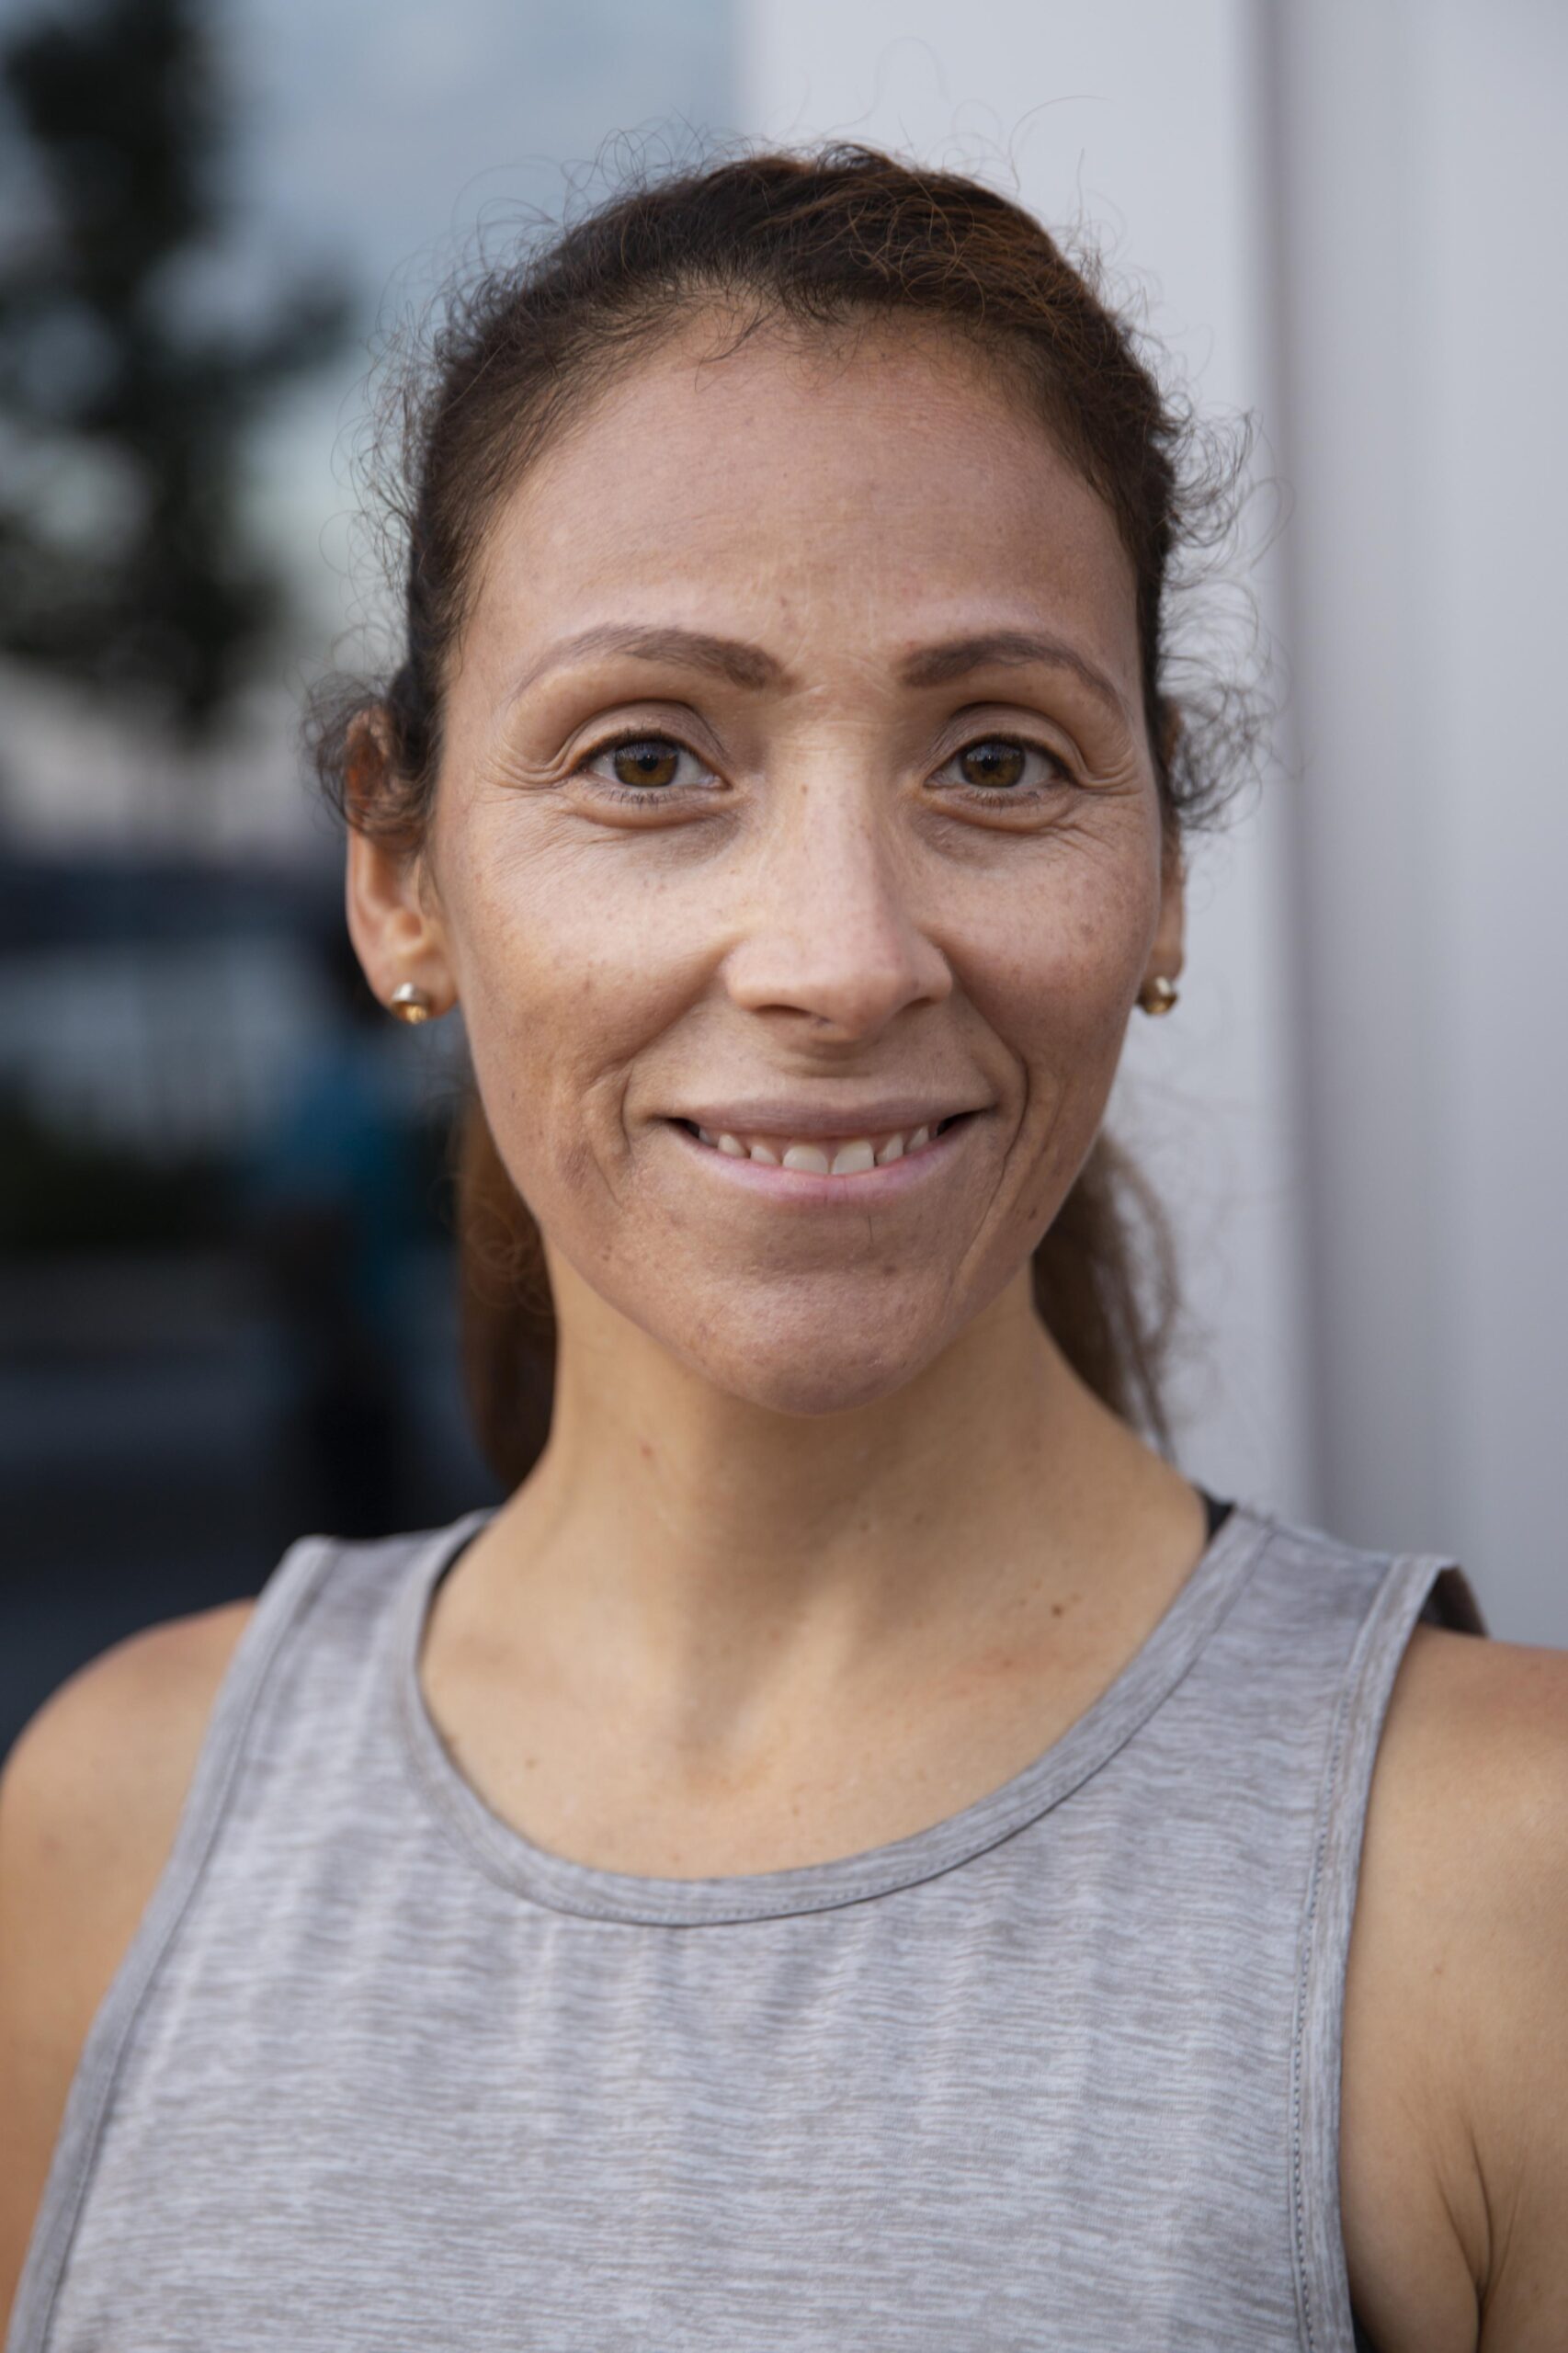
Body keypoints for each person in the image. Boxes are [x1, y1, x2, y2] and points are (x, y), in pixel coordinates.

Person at [2, 146, 1563, 2353]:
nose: (839, 957)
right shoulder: (107, 1828)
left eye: (1000, 760)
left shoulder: (1502, 1885)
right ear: (399, 872)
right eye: (650, 757)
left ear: (1164, 887)